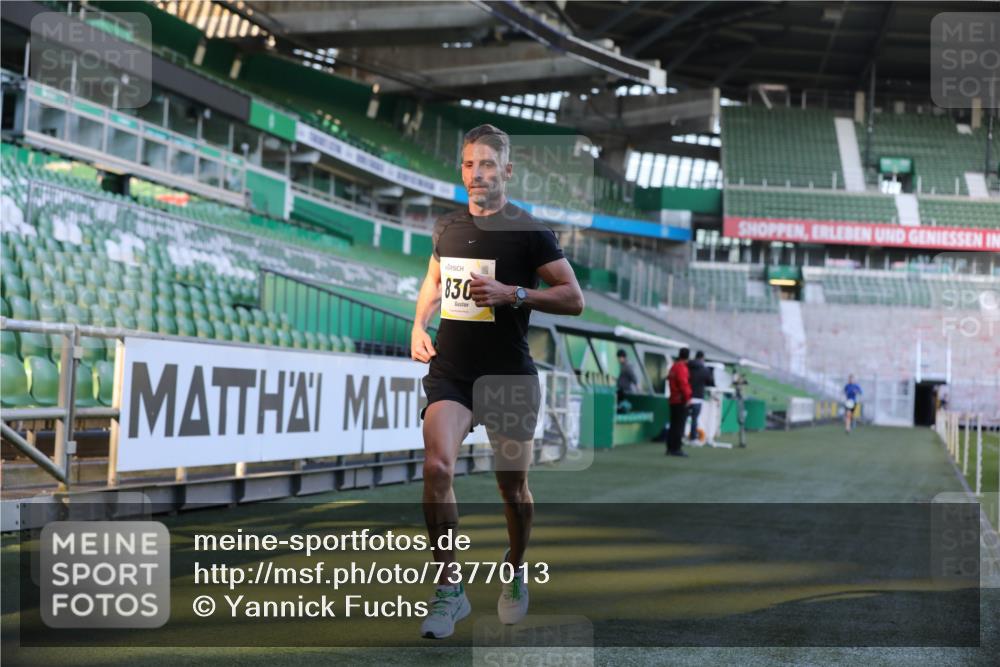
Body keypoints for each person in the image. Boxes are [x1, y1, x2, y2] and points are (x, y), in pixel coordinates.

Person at [411, 124, 584, 639]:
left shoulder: (530, 232)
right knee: (437, 466)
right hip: (453, 373)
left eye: (487, 164)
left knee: (513, 490)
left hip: (509, 377)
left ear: (506, 171)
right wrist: (419, 323)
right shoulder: (447, 227)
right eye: (469, 164)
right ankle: (450, 588)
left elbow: (573, 298)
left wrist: (515, 294)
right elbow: (434, 281)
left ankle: (516, 566)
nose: (477, 174)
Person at [666, 348, 692, 457]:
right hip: (680, 400)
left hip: (673, 399)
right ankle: (676, 448)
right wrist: (688, 398)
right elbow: (683, 384)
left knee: (673, 425)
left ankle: (670, 447)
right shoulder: (682, 368)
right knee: (679, 425)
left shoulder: (673, 366)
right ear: (688, 357)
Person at [686, 350, 714, 443]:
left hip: (686, 396)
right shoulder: (705, 370)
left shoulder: (687, 366)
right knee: (694, 419)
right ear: (702, 358)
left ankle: (680, 436)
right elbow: (710, 382)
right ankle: (693, 438)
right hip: (697, 397)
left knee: (683, 418)